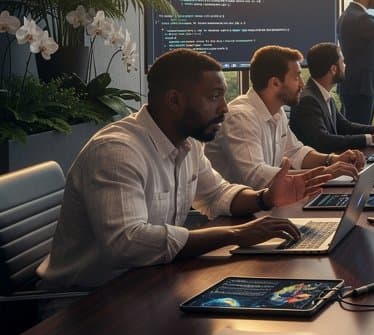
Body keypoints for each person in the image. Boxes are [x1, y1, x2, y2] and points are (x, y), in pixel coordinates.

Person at [37, 49, 335, 290]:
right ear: (174, 100)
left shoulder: (188, 143)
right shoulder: (117, 152)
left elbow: (217, 194)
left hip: (148, 283)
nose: (225, 108)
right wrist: (234, 234)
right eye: (214, 97)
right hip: (86, 304)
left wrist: (265, 198)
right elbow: (127, 243)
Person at [206, 45, 364, 188]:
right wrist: (325, 173)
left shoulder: (277, 111)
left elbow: (295, 152)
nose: (302, 84)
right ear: (275, 83)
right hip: (237, 210)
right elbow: (256, 177)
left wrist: (333, 159)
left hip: (266, 202)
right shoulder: (240, 117)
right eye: (296, 77)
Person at [290, 42, 374, 152]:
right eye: (342, 62)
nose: (345, 66)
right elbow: (323, 141)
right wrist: (371, 139)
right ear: (333, 69)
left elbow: (344, 126)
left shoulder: (321, 93)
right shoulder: (308, 100)